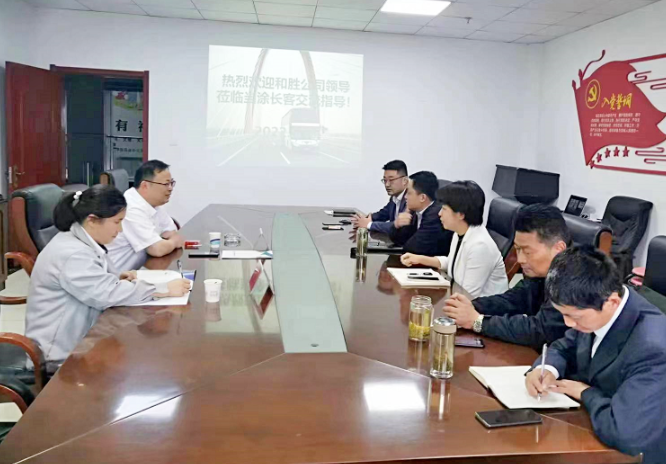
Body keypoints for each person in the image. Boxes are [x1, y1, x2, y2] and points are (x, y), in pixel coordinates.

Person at [25, 185, 192, 372]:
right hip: (60, 355)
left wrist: (116, 277)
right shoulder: (73, 254)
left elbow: (99, 281)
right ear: (92, 220)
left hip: (85, 337)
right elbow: (107, 294)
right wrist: (163, 289)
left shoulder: (82, 239)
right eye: (117, 222)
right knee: (140, 365)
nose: (120, 230)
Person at [525, 246, 666, 464]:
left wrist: (585, 393)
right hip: (588, 431)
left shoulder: (653, 349)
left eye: (574, 317)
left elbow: (625, 433)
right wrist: (546, 369)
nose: (568, 323)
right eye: (563, 314)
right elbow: (564, 346)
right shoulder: (594, 306)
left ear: (612, 302)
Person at [443, 204, 570, 350]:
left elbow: (540, 331)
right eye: (517, 249)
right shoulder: (542, 272)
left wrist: (478, 321)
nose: (520, 259)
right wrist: (472, 306)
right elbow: (512, 299)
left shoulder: (573, 280)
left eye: (527, 252)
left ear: (558, 249)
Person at [400, 181, 508, 298]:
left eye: (444, 209)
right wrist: (419, 259)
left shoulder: (480, 246)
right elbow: (453, 263)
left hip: (480, 306)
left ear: (460, 214)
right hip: (460, 297)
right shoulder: (460, 232)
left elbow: (467, 295)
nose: (439, 214)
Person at [108, 160, 184, 271]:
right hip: (117, 275)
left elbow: (172, 232)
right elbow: (157, 249)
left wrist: (168, 242)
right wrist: (173, 242)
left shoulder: (154, 203)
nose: (170, 188)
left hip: (139, 268)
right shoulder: (130, 208)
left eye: (171, 183)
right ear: (145, 186)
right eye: (166, 184)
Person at [388, 171, 453, 256]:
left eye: (409, 193)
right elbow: (397, 240)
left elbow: (413, 248)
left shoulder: (435, 216)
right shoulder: (415, 211)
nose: (405, 197)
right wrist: (396, 225)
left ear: (422, 198)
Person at [352, 160, 408, 234]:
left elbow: (398, 225)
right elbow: (382, 214)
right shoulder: (394, 198)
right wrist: (365, 219)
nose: (387, 184)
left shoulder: (411, 199)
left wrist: (369, 224)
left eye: (391, 180)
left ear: (405, 180)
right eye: (385, 180)